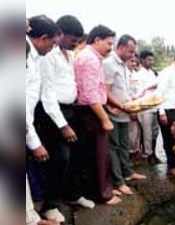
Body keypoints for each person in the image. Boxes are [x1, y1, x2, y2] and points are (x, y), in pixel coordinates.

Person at [35, 15, 95, 216]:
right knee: (60, 157)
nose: (76, 43)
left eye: (78, 40)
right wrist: (62, 125)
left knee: (78, 154)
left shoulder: (69, 55)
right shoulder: (47, 56)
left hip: (71, 110)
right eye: (72, 39)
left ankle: (73, 193)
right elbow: (48, 94)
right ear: (59, 34)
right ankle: (49, 205)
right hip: (52, 113)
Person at [73, 25, 121, 205]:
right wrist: (105, 118)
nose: (111, 47)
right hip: (90, 112)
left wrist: (116, 106)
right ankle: (103, 194)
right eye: (109, 43)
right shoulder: (90, 59)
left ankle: (102, 189)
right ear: (97, 40)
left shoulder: (92, 57)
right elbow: (91, 94)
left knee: (95, 154)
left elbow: (99, 90)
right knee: (99, 155)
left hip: (91, 110)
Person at [26, 15, 62, 222]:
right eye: (53, 43)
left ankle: (31, 219)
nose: (52, 48)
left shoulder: (34, 58)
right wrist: (34, 143)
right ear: (43, 38)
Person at [103, 34, 147, 196]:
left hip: (124, 112)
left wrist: (133, 102)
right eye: (130, 52)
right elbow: (105, 93)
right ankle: (118, 181)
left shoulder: (123, 65)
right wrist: (120, 106)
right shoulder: (108, 64)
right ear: (120, 47)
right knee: (113, 148)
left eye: (133, 52)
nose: (132, 55)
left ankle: (128, 172)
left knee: (124, 144)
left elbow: (123, 89)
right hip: (113, 113)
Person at [136, 50, 160, 163]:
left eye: (152, 59)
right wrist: (149, 87)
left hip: (155, 106)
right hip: (144, 107)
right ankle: (148, 154)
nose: (151, 62)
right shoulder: (138, 74)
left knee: (155, 132)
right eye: (149, 60)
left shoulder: (152, 73)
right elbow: (137, 92)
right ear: (142, 60)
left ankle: (153, 154)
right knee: (147, 133)